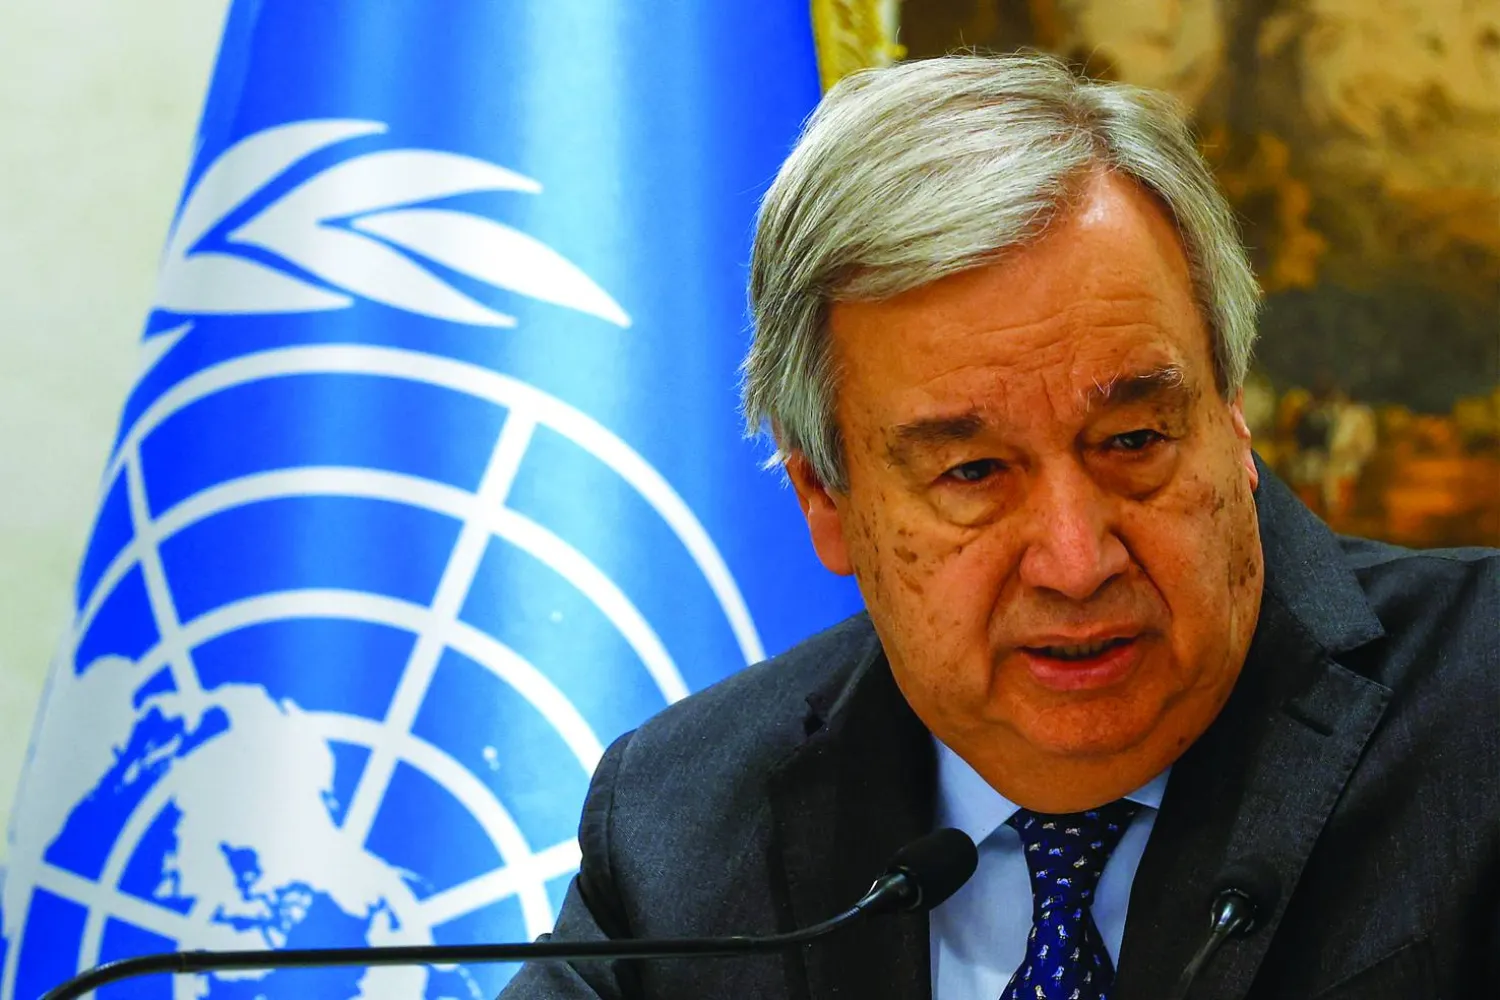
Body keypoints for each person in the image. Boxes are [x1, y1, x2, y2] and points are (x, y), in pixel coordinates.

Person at [501, 53, 1497, 1000]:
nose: (1076, 560)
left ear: (1230, 414)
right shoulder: (683, 828)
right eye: (974, 471)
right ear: (827, 501)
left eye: (1134, 438)